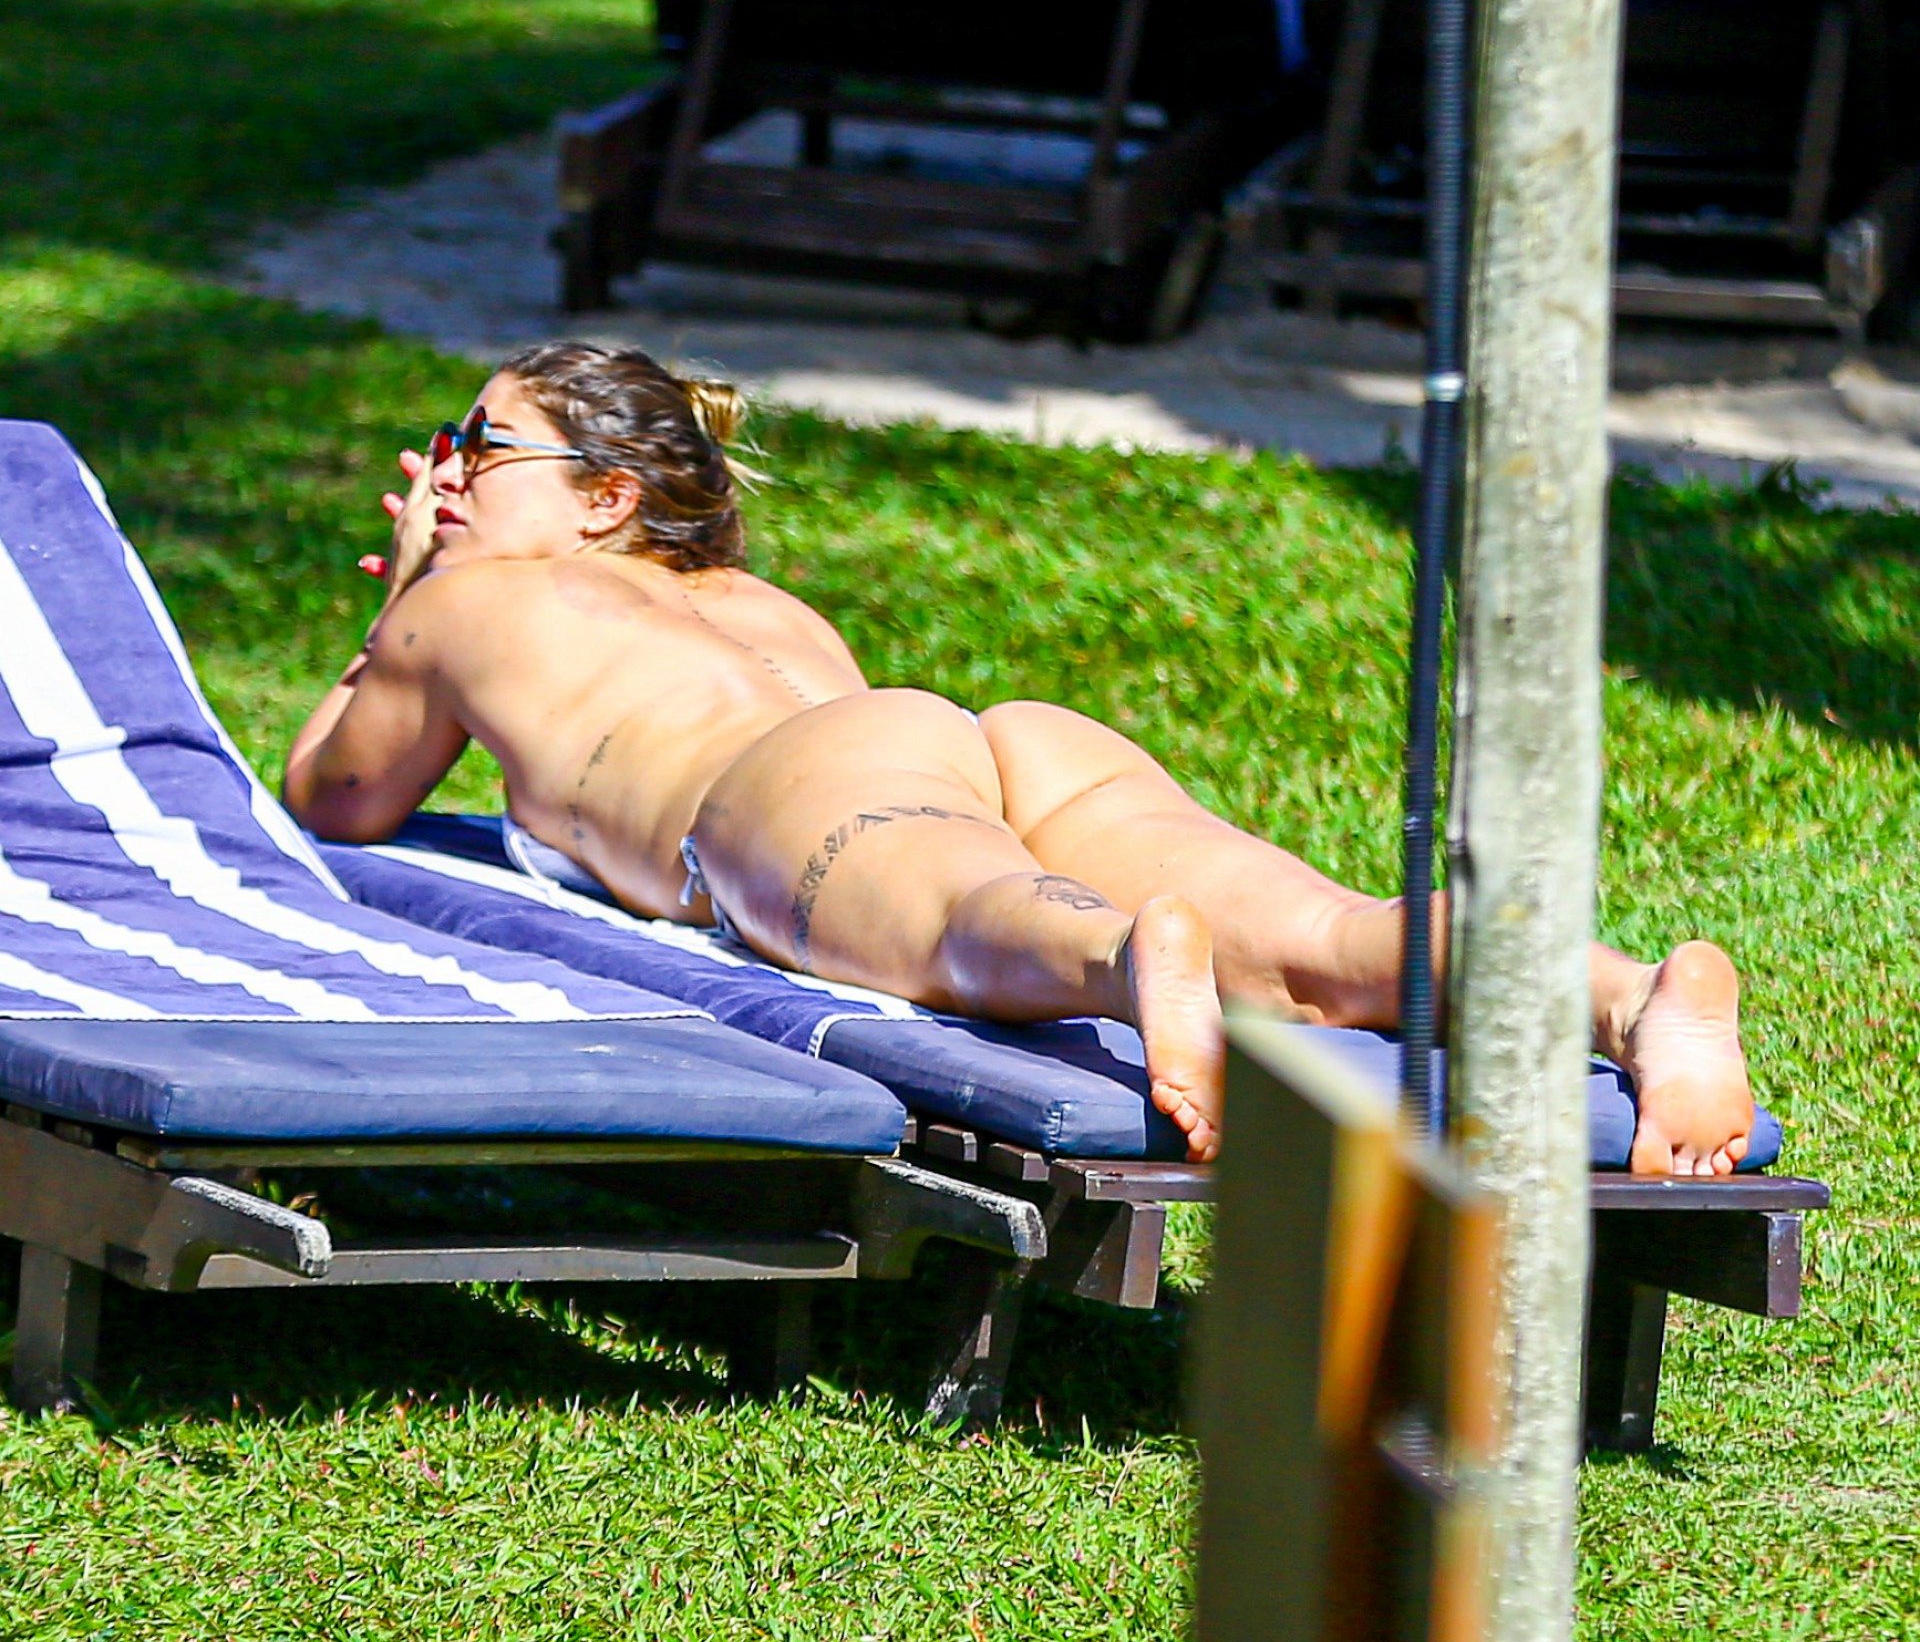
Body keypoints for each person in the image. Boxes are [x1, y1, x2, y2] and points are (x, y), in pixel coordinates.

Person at [284, 339, 1755, 1174]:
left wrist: (407, 583)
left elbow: (340, 796)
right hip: (991, 739)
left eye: (478, 445)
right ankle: (1627, 997)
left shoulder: (475, 601)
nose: (447, 474)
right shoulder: (748, 602)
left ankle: (1127, 957)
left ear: (606, 497)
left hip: (793, 801)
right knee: (1319, 949)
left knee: (968, 922)